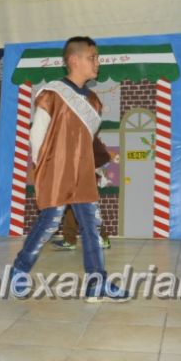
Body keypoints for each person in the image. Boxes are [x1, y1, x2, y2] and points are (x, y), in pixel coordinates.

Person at [11, 36, 129, 301]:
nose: (98, 62)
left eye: (97, 57)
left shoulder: (94, 101)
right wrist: (43, 169)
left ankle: (97, 283)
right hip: (56, 171)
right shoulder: (52, 93)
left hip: (83, 174)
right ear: (74, 60)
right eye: (92, 57)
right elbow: (36, 134)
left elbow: (87, 140)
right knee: (49, 223)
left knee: (91, 226)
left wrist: (97, 165)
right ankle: (19, 269)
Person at [52, 136, 113, 250]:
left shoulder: (90, 138)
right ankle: (69, 240)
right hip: (74, 179)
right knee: (71, 209)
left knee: (87, 209)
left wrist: (88, 165)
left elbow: (105, 158)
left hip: (87, 179)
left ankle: (103, 238)